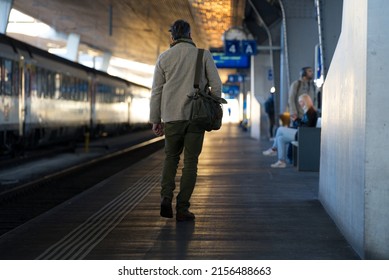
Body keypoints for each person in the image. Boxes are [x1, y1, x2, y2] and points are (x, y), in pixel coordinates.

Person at [149, 19, 222, 221]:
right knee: (191, 162)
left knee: (171, 158)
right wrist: (213, 107)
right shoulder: (203, 55)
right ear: (190, 35)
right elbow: (216, 86)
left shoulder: (163, 58)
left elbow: (156, 92)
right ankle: (182, 208)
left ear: (171, 37)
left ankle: (166, 197)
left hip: (172, 117)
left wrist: (156, 119)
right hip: (197, 117)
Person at [262, 94, 318, 168]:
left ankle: (274, 149)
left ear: (306, 101)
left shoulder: (311, 112)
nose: (300, 104)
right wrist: (296, 120)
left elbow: (307, 126)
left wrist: (297, 120)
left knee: (280, 129)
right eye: (300, 102)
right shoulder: (308, 111)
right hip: (302, 133)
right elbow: (304, 124)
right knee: (280, 139)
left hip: (303, 134)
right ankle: (281, 161)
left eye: (301, 101)